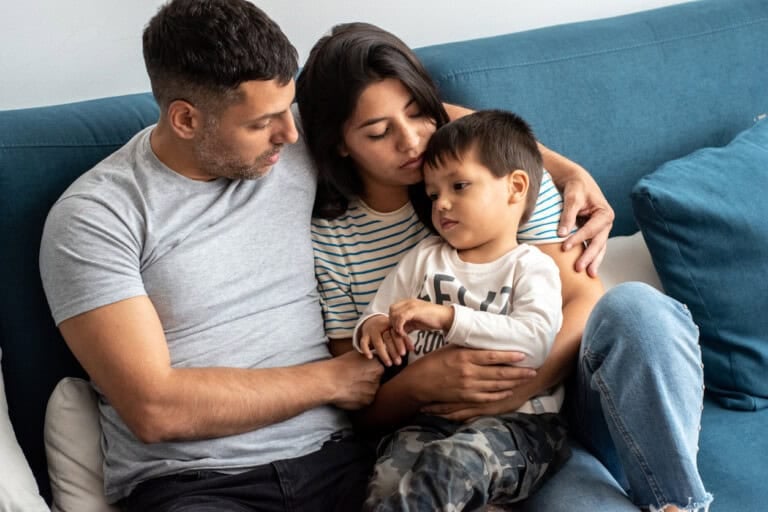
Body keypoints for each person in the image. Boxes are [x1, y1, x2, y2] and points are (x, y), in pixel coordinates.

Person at [297, 22, 711, 512]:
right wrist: (418, 383)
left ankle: (683, 503)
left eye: (417, 115)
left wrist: (512, 391)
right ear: (340, 143)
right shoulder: (335, 240)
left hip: (551, 406)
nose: (411, 142)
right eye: (379, 132)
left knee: (638, 307)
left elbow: (579, 300)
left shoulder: (485, 169)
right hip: (442, 433)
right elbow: (357, 398)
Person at [39, 1, 385, 510]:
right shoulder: (96, 216)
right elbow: (156, 409)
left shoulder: (291, 137)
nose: (290, 135)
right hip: (198, 483)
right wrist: (331, 379)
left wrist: (546, 167)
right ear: (185, 119)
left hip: (339, 461)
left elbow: (428, 127)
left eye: (288, 108)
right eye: (263, 122)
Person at [354, 109, 570, 511]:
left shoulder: (530, 266)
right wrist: (373, 326)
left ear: (515, 187)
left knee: (450, 465)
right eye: (434, 194)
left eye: (459, 185)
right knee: (387, 477)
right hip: (429, 421)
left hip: (521, 424)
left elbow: (536, 342)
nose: (442, 204)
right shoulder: (425, 258)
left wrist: (448, 318)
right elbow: (380, 311)